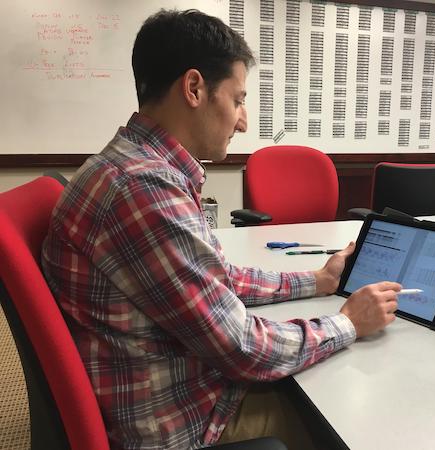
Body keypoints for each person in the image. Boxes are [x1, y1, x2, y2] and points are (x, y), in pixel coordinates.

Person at [41, 9, 401, 450]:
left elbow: (217, 282)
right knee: (352, 411)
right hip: (184, 424)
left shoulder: (134, 167)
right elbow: (241, 348)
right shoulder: (142, 189)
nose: (244, 121)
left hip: (168, 389)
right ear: (194, 88)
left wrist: (319, 280)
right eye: (237, 99)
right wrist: (347, 324)